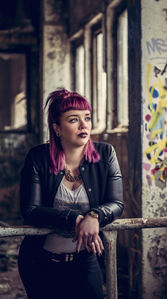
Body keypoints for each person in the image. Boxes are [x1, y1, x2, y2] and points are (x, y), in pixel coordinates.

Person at [18, 88, 124, 299]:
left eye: (87, 118)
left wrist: (94, 215)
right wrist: (75, 219)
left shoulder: (106, 154)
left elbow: (116, 203)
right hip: (40, 262)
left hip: (85, 260)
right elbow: (30, 210)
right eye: (74, 119)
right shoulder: (38, 157)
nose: (84, 125)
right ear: (57, 128)